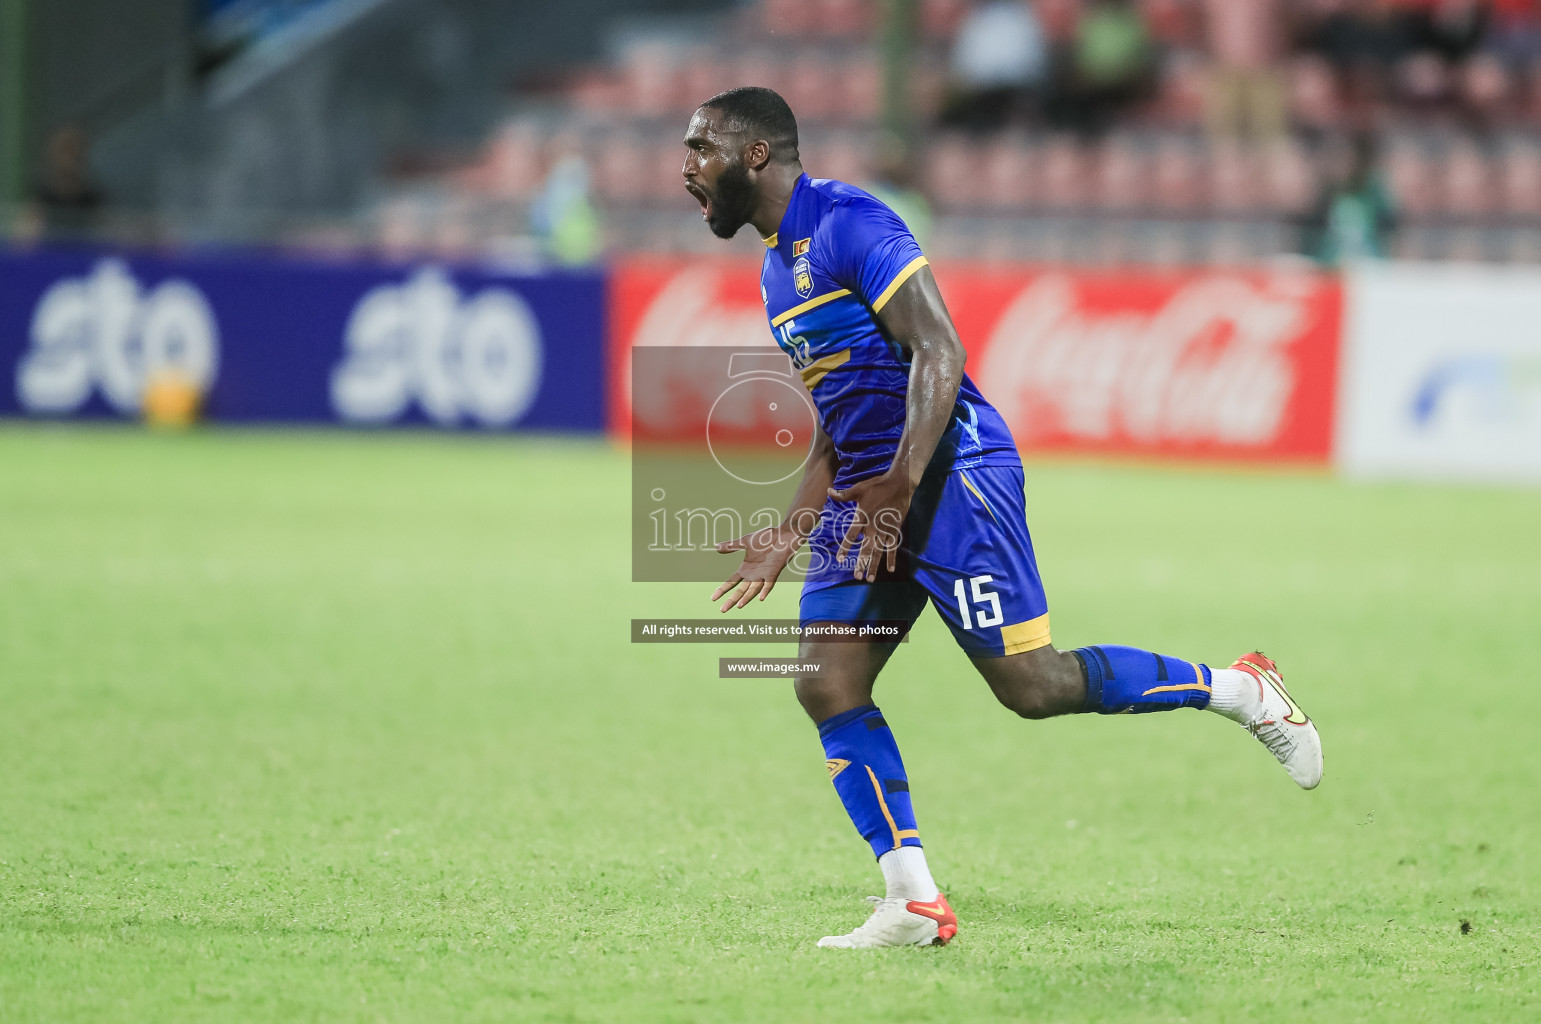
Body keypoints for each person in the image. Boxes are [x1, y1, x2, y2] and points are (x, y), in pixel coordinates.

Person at [680, 87, 1323, 950]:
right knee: (825, 681)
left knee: (1033, 687)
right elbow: (838, 414)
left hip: (950, 475)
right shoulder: (771, 268)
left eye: (700, 148)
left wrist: (901, 490)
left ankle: (1240, 690)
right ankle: (910, 899)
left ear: (755, 154)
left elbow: (940, 348)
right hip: (874, 493)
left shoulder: (849, 222)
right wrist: (789, 531)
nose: (686, 167)